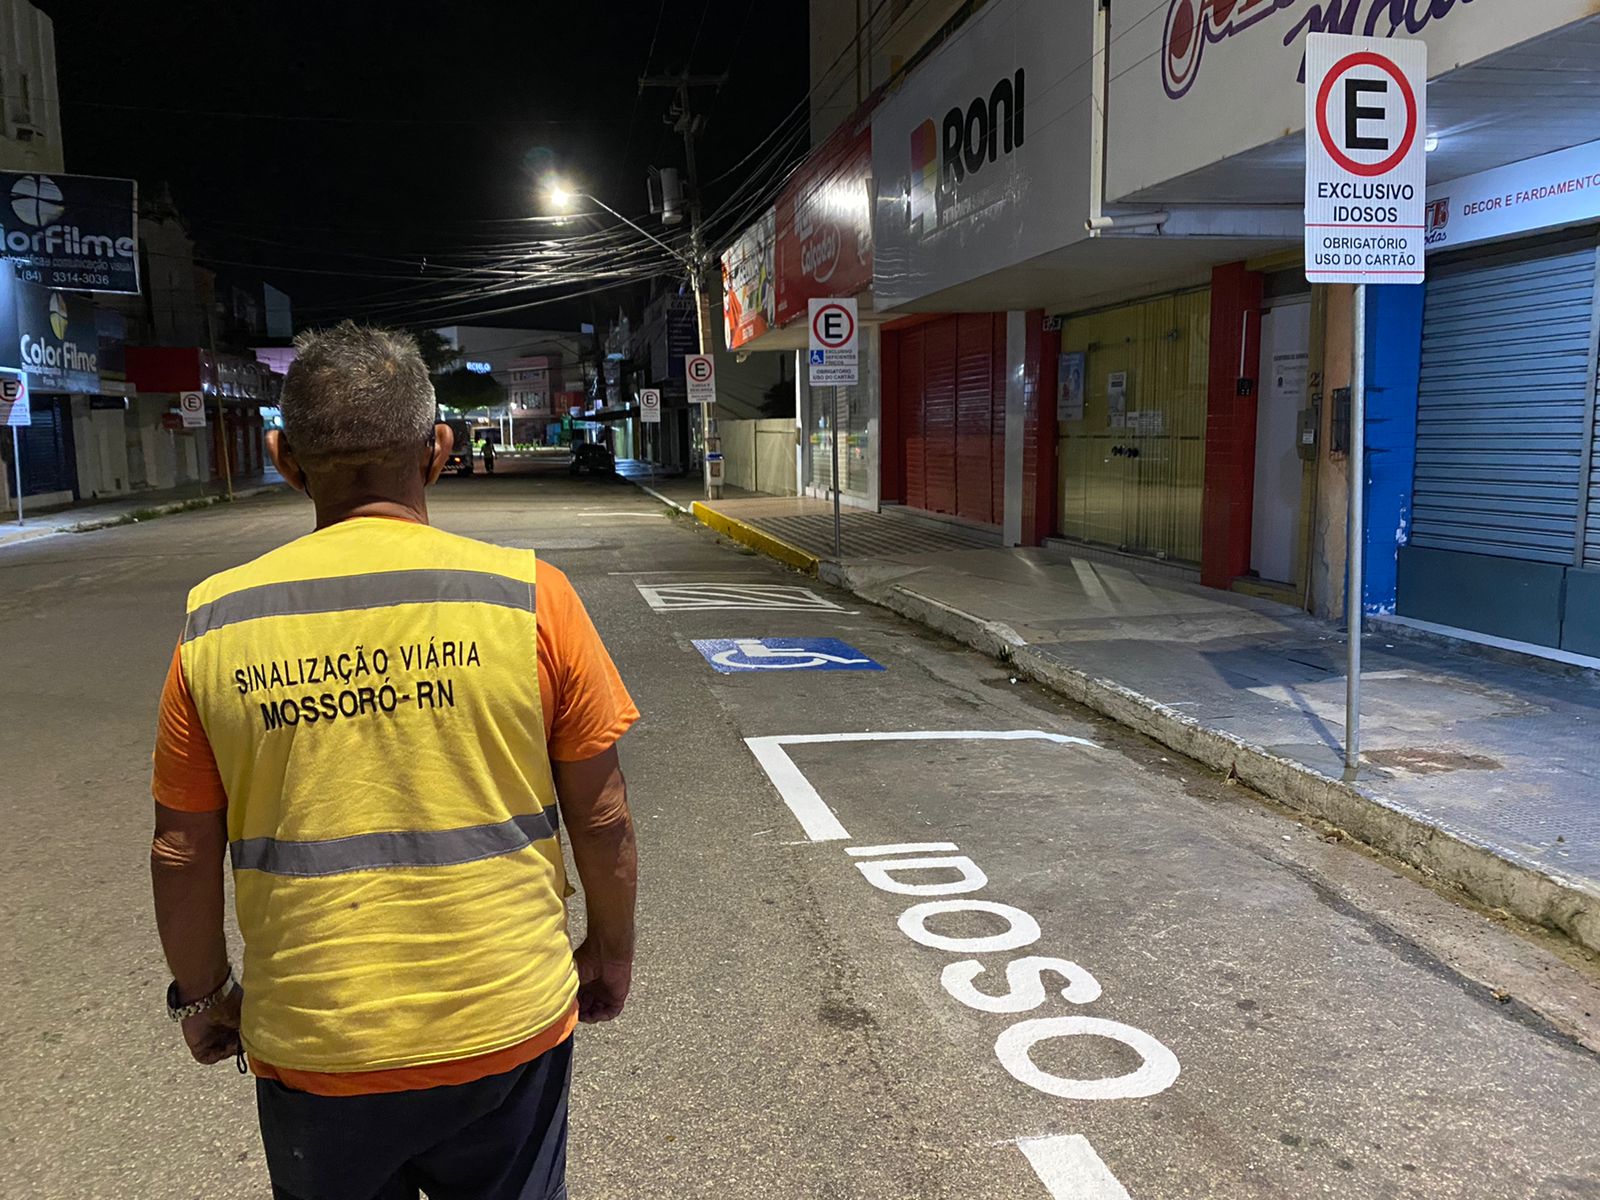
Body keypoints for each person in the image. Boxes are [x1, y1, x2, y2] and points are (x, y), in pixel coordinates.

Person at [148, 321, 639, 1200]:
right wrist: (609, 947)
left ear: (283, 459)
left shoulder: (214, 623)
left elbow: (181, 849)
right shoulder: (531, 598)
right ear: (439, 450)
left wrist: (204, 996)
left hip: (316, 1042)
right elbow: (601, 816)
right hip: (503, 1023)